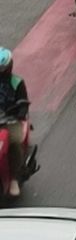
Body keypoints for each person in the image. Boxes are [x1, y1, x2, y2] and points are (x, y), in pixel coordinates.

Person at [0, 48, 29, 196]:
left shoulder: (17, 82)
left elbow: (23, 103)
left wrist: (19, 113)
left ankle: (14, 179)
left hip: (11, 121)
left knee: (15, 144)